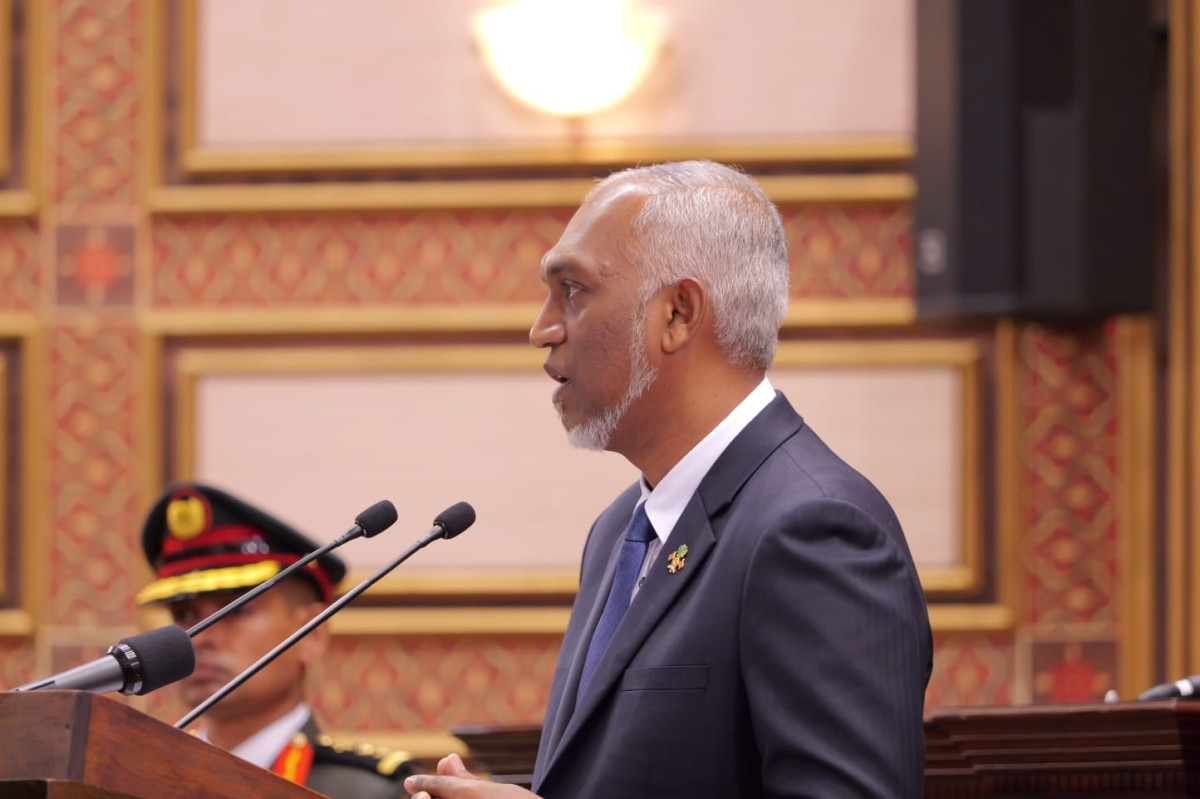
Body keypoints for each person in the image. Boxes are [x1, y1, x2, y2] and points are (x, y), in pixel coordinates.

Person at [406, 160, 933, 799]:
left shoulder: (814, 527)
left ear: (678, 313)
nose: (541, 328)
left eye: (572, 289)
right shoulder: (620, 530)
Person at [137, 481, 417, 799]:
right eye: (185, 615)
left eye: (236, 610)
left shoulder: (373, 793)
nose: (200, 636)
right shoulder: (137, 780)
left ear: (311, 635)